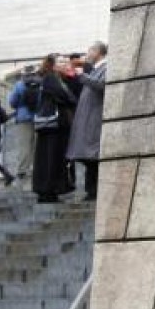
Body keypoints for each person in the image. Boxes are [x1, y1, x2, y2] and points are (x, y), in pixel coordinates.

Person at [65, 41, 107, 201]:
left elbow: (101, 84)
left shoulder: (106, 68)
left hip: (94, 119)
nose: (87, 54)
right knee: (88, 157)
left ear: (98, 52)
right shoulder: (95, 70)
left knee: (92, 157)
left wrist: (80, 76)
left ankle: (93, 191)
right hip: (87, 119)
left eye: (90, 50)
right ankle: (91, 191)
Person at [32, 54, 77, 203]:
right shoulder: (50, 78)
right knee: (50, 158)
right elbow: (66, 96)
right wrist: (71, 99)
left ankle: (50, 190)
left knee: (52, 158)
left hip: (56, 126)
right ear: (53, 65)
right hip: (53, 127)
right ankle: (47, 190)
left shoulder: (58, 79)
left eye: (66, 61)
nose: (65, 64)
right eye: (61, 62)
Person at [7, 65, 41, 184]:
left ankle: (22, 170)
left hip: (23, 117)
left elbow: (12, 102)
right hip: (39, 117)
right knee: (37, 145)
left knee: (24, 145)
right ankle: (37, 168)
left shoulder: (19, 85)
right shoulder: (41, 83)